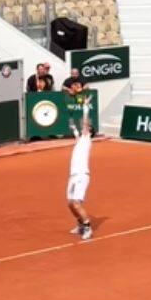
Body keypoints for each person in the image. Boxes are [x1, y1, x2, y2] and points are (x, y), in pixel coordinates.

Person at [65, 102, 94, 240]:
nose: (84, 128)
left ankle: (88, 227)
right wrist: (72, 126)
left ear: (89, 132)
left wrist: (85, 108)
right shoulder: (80, 140)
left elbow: (85, 124)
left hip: (82, 175)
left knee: (76, 202)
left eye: (86, 128)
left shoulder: (87, 139)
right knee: (71, 203)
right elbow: (76, 133)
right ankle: (81, 224)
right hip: (73, 176)